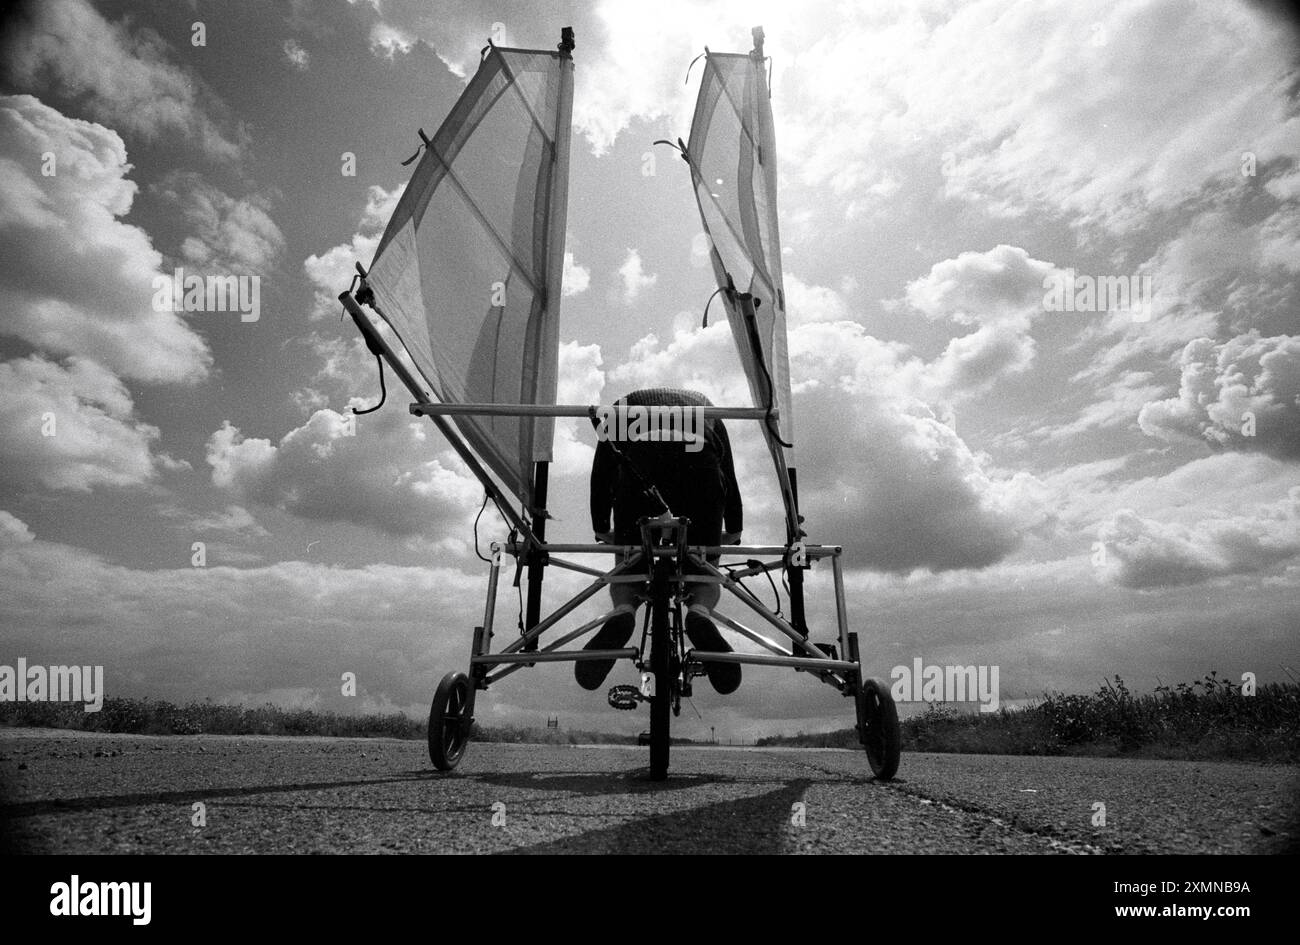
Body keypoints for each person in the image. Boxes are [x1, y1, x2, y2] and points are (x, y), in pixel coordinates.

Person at [578, 387, 743, 695]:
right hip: (700, 473)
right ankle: (699, 613)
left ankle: (624, 611)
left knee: (628, 566)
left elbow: (601, 472)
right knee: (702, 570)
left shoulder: (623, 407)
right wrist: (733, 530)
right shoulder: (704, 406)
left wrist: (602, 528)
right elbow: (727, 474)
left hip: (640, 473)